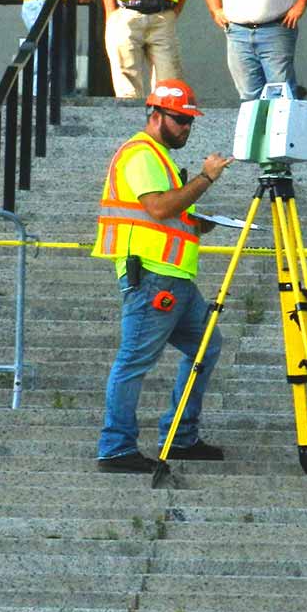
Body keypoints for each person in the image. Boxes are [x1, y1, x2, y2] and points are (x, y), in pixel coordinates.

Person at [92, 78, 234, 472]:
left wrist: (199, 222)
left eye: (190, 121)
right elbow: (158, 209)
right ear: (155, 115)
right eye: (179, 119)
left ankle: (180, 437)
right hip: (154, 278)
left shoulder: (162, 159)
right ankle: (116, 447)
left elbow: (170, 214)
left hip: (175, 279)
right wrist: (205, 178)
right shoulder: (141, 154)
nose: (186, 127)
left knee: (206, 347)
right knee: (133, 361)